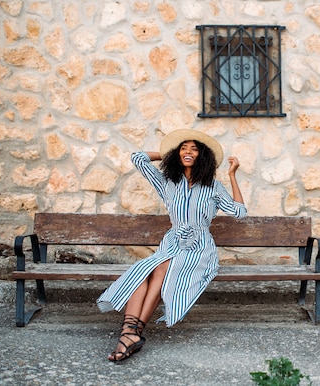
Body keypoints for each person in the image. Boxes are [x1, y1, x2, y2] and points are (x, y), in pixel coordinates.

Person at [97, 129, 247, 363]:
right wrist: (168, 152)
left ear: (203, 156)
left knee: (162, 269)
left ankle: (131, 334)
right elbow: (138, 157)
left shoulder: (213, 187)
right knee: (144, 271)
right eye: (183, 148)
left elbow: (239, 212)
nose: (188, 152)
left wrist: (233, 175)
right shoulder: (167, 182)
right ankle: (130, 334)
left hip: (199, 247)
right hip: (172, 243)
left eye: (194, 149)